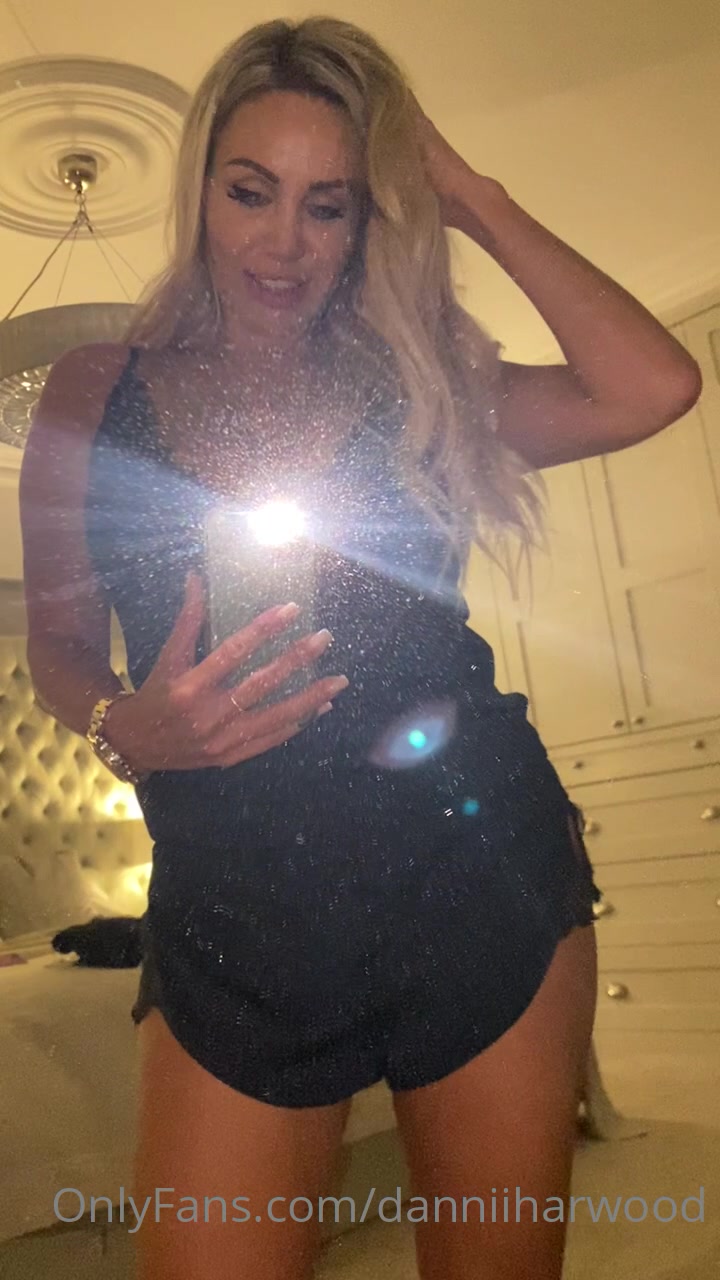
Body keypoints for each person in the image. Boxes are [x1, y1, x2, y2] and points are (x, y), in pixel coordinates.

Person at [19, 17, 701, 1280]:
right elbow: (56, 636)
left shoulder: (423, 385)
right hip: (234, 910)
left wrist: (468, 193)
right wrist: (125, 721)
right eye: (251, 191)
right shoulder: (93, 389)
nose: (284, 241)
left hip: (478, 878)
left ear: (371, 216)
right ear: (201, 190)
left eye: (328, 204)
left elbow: (652, 386)